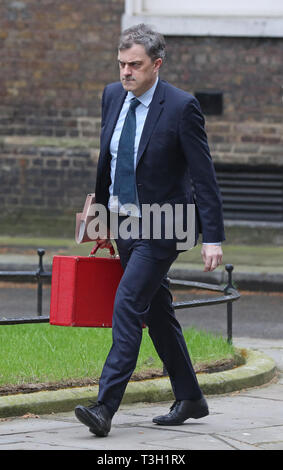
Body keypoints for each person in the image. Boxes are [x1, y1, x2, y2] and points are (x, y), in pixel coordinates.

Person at [75, 24, 225, 437]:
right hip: (123, 224)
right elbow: (108, 165)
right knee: (157, 311)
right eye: (121, 64)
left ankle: (105, 406)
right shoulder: (111, 96)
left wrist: (212, 236)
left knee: (127, 303)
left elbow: (203, 176)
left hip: (164, 226)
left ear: (156, 65)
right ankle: (191, 397)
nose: (126, 72)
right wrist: (102, 221)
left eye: (135, 65)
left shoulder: (181, 107)